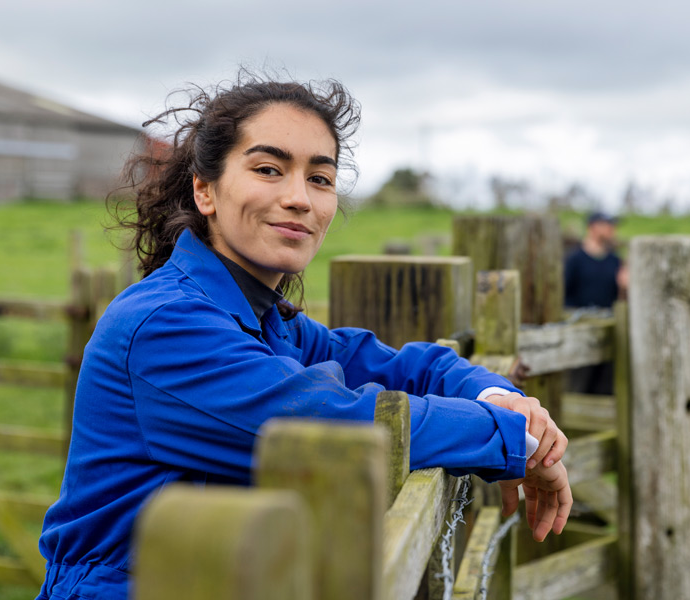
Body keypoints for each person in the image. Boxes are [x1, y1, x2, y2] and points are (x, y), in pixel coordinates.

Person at [36, 73, 572, 600]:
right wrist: (511, 438)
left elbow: (401, 366)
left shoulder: (264, 317)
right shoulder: (168, 325)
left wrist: (501, 399)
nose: (300, 198)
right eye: (269, 169)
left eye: (320, 178)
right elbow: (339, 425)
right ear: (205, 190)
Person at [563, 211, 627, 395]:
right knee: (577, 386)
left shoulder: (614, 260)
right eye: (607, 225)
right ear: (593, 227)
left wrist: (624, 287)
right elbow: (565, 294)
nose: (612, 230)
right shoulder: (575, 259)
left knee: (605, 387)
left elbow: (619, 299)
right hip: (580, 334)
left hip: (608, 333)